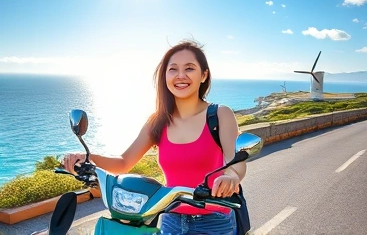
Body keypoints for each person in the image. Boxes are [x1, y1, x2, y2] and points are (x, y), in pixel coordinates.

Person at [63, 39, 246, 234]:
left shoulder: (220, 115)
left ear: (204, 75)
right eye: (173, 69)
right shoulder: (158, 121)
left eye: (190, 68)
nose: (180, 75)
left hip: (214, 221)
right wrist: (87, 159)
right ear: (165, 76)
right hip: (170, 218)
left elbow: (237, 163)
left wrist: (231, 177)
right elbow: (124, 162)